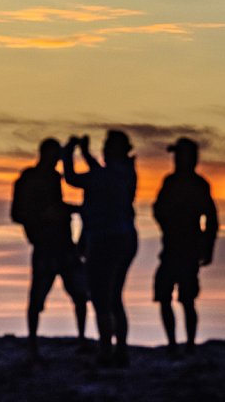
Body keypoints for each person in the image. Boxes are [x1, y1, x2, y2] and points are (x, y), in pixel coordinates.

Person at [63, 131, 138, 367]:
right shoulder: (126, 173)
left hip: (104, 240)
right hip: (125, 239)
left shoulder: (107, 176)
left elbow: (73, 179)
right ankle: (121, 349)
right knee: (115, 296)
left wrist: (69, 154)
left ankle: (107, 349)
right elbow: (98, 173)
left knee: (101, 296)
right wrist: (85, 154)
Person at [11, 138, 89, 359]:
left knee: (80, 294)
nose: (57, 160)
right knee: (37, 296)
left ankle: (81, 339)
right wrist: (42, 216)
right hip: (45, 245)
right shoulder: (29, 179)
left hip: (64, 244)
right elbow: (17, 213)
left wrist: (72, 210)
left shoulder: (54, 178)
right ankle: (33, 344)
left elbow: (56, 206)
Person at [153, 137, 218, 356]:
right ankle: (174, 343)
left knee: (186, 299)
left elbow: (211, 219)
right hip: (172, 247)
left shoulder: (197, 185)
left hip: (187, 248)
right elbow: (158, 209)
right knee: (165, 296)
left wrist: (208, 247)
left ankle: (187, 344)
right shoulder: (171, 182)